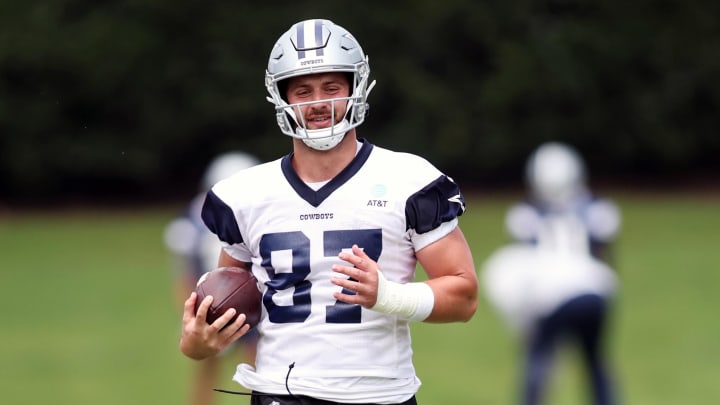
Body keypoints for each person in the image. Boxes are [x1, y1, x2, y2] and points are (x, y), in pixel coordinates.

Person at [178, 18, 478, 405]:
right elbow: (225, 307)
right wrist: (198, 342)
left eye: (331, 88)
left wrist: (387, 295)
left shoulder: (409, 179)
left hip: (379, 395)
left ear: (355, 88)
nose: (318, 102)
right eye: (303, 91)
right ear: (282, 98)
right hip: (278, 393)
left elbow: (464, 296)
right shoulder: (244, 194)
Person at [481, 142, 621, 405]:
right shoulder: (599, 209)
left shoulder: (524, 214)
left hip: (549, 297)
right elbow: (604, 259)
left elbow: (521, 265)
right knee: (595, 362)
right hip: (595, 295)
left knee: (538, 360)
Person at [164, 151, 261, 405]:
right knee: (216, 366)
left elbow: (182, 270)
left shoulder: (194, 216)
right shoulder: (196, 218)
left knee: (257, 366)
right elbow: (185, 269)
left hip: (232, 301)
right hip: (226, 301)